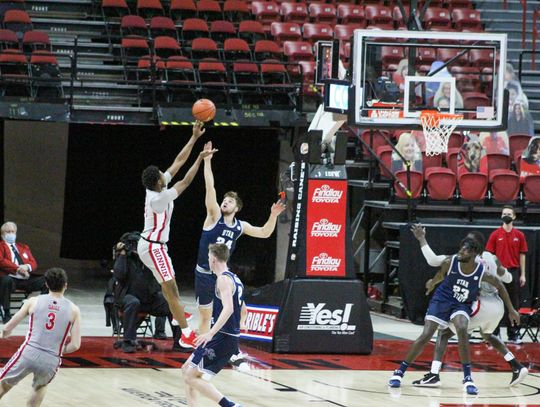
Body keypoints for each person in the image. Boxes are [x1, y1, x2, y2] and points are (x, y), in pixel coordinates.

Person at [388, 236, 520, 395]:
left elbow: (500, 285)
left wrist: (511, 309)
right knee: (426, 335)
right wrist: (432, 283)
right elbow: (440, 275)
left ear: (473, 253)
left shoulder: (481, 272)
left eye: (464, 250)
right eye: (461, 248)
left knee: (462, 329)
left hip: (461, 304)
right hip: (442, 300)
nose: (460, 251)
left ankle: (467, 378)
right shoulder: (450, 262)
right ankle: (399, 372)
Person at [196, 145, 285, 363]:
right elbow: (210, 188)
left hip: (222, 276)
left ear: (237, 207)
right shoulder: (213, 216)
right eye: (224, 199)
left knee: (240, 310)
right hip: (204, 274)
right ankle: (199, 353)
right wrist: (207, 162)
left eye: (230, 201)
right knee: (206, 317)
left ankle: (232, 350)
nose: (225, 202)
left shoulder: (240, 226)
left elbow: (264, 233)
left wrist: (273, 215)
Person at [137, 122, 217, 349]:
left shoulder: (157, 187)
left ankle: (176, 313)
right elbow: (186, 181)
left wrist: (193, 138)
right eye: (162, 176)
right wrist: (201, 159)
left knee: (169, 287)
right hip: (153, 247)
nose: (165, 174)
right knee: (171, 288)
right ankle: (185, 333)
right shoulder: (158, 198)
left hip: (153, 246)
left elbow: (179, 161)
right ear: (158, 182)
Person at [0, 268, 81, 407]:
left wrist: (5, 333)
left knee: (4, 383)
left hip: (29, 351)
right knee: (40, 386)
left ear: (47, 285)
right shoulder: (74, 310)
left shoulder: (33, 301)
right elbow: (75, 345)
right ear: (65, 285)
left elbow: (9, 326)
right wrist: (58, 350)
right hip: (51, 359)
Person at [183, 243, 246, 407]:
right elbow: (243, 309)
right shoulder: (235, 279)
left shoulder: (223, 279)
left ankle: (229, 405)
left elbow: (229, 309)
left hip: (221, 337)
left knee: (191, 376)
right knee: (186, 370)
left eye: (209, 257)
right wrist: (239, 327)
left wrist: (211, 332)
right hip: (225, 335)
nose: (208, 260)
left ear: (214, 259)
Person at [112, 232, 180, 353]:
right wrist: (121, 255)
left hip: (149, 298)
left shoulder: (150, 258)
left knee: (173, 303)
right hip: (127, 297)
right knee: (133, 302)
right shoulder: (125, 259)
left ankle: (179, 342)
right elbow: (119, 276)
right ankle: (128, 341)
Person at [485, 205, 528, 344]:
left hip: (513, 272)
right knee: (495, 302)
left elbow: (522, 255)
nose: (506, 215)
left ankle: (513, 333)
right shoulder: (495, 234)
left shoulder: (519, 235)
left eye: (509, 213)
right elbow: (489, 256)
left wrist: (523, 274)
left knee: (513, 304)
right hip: (497, 273)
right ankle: (495, 333)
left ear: (514, 216)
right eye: (504, 213)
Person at [0, 222, 47, 323]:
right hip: (10, 278)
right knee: (5, 280)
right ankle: (6, 313)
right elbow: (1, 261)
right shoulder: (1, 246)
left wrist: (27, 266)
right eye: (8, 232)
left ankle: (28, 310)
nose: (11, 234)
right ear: (2, 234)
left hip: (25, 279)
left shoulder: (23, 247)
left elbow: (33, 262)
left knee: (47, 280)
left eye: (13, 231)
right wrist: (18, 268)